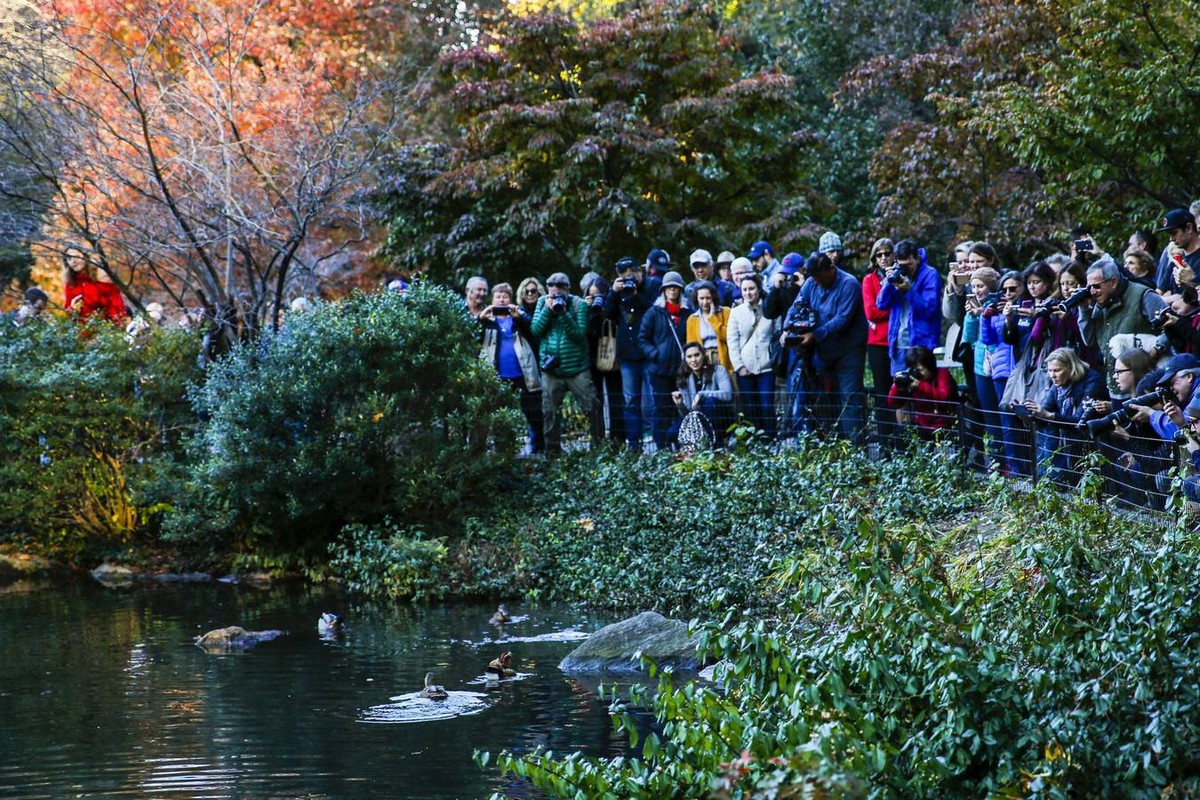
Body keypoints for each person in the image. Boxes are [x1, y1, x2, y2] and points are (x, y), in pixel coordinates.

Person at [787, 252, 868, 441]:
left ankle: (854, 448)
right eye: (814, 279)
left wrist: (814, 335)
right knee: (825, 399)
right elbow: (797, 305)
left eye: (820, 278)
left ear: (830, 268)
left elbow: (841, 319)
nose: (818, 282)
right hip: (823, 352)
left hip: (849, 350)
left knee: (849, 400)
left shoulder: (849, 284)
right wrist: (788, 328)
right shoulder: (811, 283)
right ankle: (831, 444)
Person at [530, 272, 597, 454]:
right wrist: (548, 311)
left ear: (567, 289)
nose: (556, 297)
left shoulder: (579, 305)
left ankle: (599, 449)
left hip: (577, 367)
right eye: (553, 294)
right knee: (549, 412)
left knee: (591, 408)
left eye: (559, 293)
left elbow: (579, 334)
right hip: (552, 369)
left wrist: (564, 314)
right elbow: (535, 330)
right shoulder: (543, 302)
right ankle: (553, 453)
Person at [1023, 347, 1107, 484]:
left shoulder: (1092, 381)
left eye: (1057, 370)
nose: (1052, 375)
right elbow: (1045, 410)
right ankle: (1052, 479)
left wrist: (1048, 416)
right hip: (1067, 444)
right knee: (1047, 432)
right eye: (1050, 371)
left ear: (1071, 367)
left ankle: (1058, 480)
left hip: (1090, 442)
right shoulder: (1059, 385)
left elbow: (1080, 421)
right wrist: (1030, 414)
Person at [480, 283, 544, 454]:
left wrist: (519, 318)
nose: (502, 299)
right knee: (502, 418)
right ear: (492, 300)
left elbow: (534, 334)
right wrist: (480, 319)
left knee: (534, 413)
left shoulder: (518, 317)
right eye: (498, 296)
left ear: (510, 299)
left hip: (523, 374)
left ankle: (538, 451)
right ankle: (504, 453)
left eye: (505, 296)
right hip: (497, 376)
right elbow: (471, 337)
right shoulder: (486, 320)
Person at [1081, 256, 1167, 376]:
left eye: (1097, 286)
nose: (1092, 292)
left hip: (1146, 379)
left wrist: (1156, 350)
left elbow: (1171, 325)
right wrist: (1084, 309)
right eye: (1089, 287)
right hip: (1116, 383)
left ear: (1114, 282)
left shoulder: (1143, 296)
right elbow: (1089, 341)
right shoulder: (1100, 304)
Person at [639, 271, 691, 450]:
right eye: (669, 287)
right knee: (660, 409)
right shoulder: (653, 313)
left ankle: (682, 445)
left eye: (675, 287)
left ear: (680, 290)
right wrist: (655, 354)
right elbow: (642, 339)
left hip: (682, 370)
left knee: (681, 408)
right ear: (663, 290)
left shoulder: (687, 313)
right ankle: (662, 448)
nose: (672, 291)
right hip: (659, 370)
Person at [607, 257, 654, 450]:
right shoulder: (618, 293)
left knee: (654, 400)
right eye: (623, 275)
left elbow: (654, 310)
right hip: (627, 355)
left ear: (639, 272)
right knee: (630, 401)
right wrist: (612, 292)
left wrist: (635, 295)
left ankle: (659, 443)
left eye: (631, 274)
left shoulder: (651, 287)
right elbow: (606, 316)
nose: (628, 279)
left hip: (649, 353)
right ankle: (634, 445)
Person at [876, 239, 942, 375]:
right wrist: (889, 281)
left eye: (909, 264)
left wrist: (909, 291)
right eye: (902, 265)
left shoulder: (930, 274)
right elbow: (881, 304)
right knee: (900, 387)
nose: (907, 268)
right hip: (898, 342)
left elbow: (930, 310)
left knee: (922, 388)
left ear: (917, 259)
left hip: (921, 343)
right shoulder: (897, 273)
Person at [727, 273, 777, 438]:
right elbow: (732, 342)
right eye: (744, 289)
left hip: (766, 365)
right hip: (745, 366)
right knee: (750, 406)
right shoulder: (736, 312)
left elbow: (776, 335)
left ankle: (770, 439)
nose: (748, 293)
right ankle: (754, 441)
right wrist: (739, 366)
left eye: (751, 288)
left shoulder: (770, 307)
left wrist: (773, 359)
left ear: (759, 288)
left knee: (767, 405)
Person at [669, 341, 734, 447]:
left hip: (721, 417)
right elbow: (688, 414)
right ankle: (694, 449)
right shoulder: (684, 379)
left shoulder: (718, 370)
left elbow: (727, 394)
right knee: (671, 433)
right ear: (685, 359)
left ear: (703, 355)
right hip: (699, 420)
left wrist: (702, 394)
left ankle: (717, 444)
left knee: (710, 402)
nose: (693, 360)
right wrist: (680, 404)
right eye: (689, 357)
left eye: (697, 355)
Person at [887, 345, 959, 440]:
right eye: (914, 370)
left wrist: (920, 385)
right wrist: (898, 386)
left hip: (945, 424)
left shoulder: (942, 374)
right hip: (922, 425)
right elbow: (893, 403)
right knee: (901, 432)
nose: (918, 373)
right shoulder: (913, 379)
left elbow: (943, 397)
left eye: (920, 370)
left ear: (929, 366)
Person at [585, 277, 624, 446]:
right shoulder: (584, 308)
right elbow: (586, 330)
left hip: (612, 355)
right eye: (592, 295)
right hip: (592, 357)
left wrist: (606, 303)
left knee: (616, 398)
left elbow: (613, 318)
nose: (596, 298)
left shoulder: (613, 304)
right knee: (596, 399)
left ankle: (618, 438)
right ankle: (598, 438)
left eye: (599, 294)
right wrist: (588, 309)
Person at [63, 248, 128, 323]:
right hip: (84, 330)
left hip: (107, 327)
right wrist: (72, 309)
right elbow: (68, 312)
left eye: (76, 257)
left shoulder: (100, 275)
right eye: (69, 258)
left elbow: (116, 304)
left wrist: (118, 323)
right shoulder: (71, 283)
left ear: (85, 256)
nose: (73, 261)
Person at [685, 281, 733, 376]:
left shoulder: (726, 312)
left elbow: (729, 336)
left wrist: (713, 319)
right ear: (696, 299)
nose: (705, 302)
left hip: (724, 358)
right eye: (701, 298)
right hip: (704, 360)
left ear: (713, 298)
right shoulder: (692, 319)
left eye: (708, 298)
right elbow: (691, 346)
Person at [1153, 208, 1200, 293]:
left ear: (1189, 228)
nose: (1171, 239)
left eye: (1174, 233)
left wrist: (1193, 281)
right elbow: (1158, 293)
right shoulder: (1177, 260)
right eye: (1170, 235)